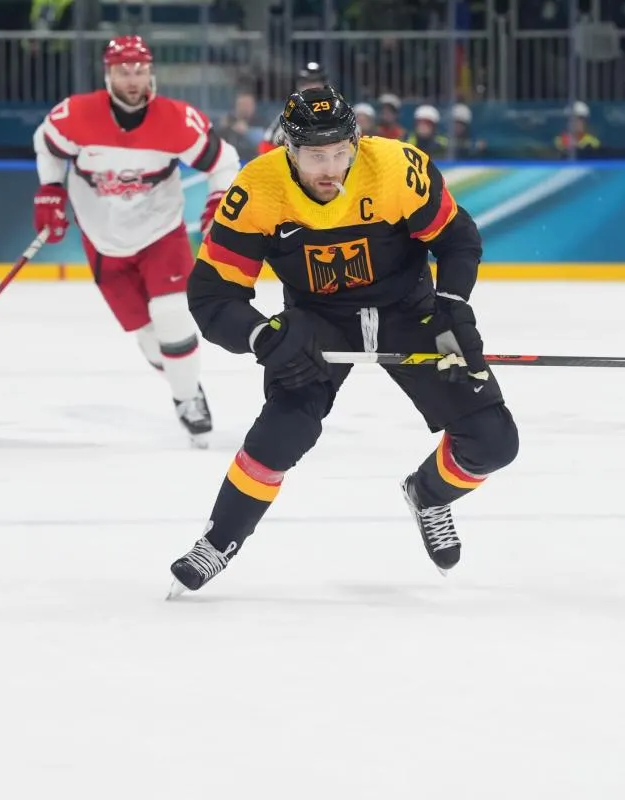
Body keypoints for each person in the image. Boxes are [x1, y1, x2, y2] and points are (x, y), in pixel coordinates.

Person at [166, 86, 520, 597]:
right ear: (289, 149)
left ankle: (428, 494)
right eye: (315, 156)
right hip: (317, 319)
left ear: (356, 142)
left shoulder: (395, 167)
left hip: (413, 311)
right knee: (283, 430)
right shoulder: (257, 189)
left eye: (340, 152)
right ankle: (217, 542)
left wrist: (453, 305)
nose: (331, 168)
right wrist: (262, 336)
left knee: (493, 441)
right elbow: (212, 294)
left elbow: (456, 238)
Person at [31, 35, 240, 447]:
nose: (132, 79)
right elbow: (47, 145)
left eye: (140, 70)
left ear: (151, 74)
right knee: (147, 336)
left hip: (161, 231)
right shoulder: (76, 115)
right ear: (108, 74)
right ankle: (184, 383)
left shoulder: (177, 121)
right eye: (123, 71)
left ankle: (187, 399)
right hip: (102, 239)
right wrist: (50, 189)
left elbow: (225, 161)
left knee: (171, 314)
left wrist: (219, 200)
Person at [257, 61, 328, 155]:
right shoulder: (291, 111)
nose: (311, 87)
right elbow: (267, 145)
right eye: (307, 83)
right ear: (300, 86)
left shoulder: (336, 109)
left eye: (316, 82)